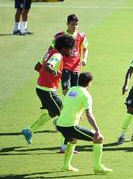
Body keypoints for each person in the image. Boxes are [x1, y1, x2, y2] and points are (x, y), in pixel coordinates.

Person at [21, 35, 75, 144]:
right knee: (65, 115)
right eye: (71, 49)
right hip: (48, 91)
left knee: (53, 112)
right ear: (64, 48)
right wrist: (54, 73)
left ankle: (29, 130)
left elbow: (37, 66)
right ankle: (66, 145)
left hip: (41, 88)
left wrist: (47, 77)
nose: (72, 51)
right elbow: (48, 66)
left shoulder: (50, 53)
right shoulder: (58, 56)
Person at [56, 72, 112, 174]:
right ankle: (98, 167)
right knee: (99, 138)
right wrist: (97, 130)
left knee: (72, 140)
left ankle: (66, 166)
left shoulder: (71, 90)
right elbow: (89, 114)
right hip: (70, 126)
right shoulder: (86, 95)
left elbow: (65, 106)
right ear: (89, 83)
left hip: (60, 124)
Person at [48, 14, 89, 153]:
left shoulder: (81, 36)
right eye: (72, 23)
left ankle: (63, 116)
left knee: (73, 93)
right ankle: (66, 111)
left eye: (76, 23)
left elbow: (85, 48)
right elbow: (51, 48)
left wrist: (84, 59)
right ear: (67, 23)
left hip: (76, 68)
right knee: (67, 92)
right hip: (64, 67)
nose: (74, 26)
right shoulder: (60, 36)